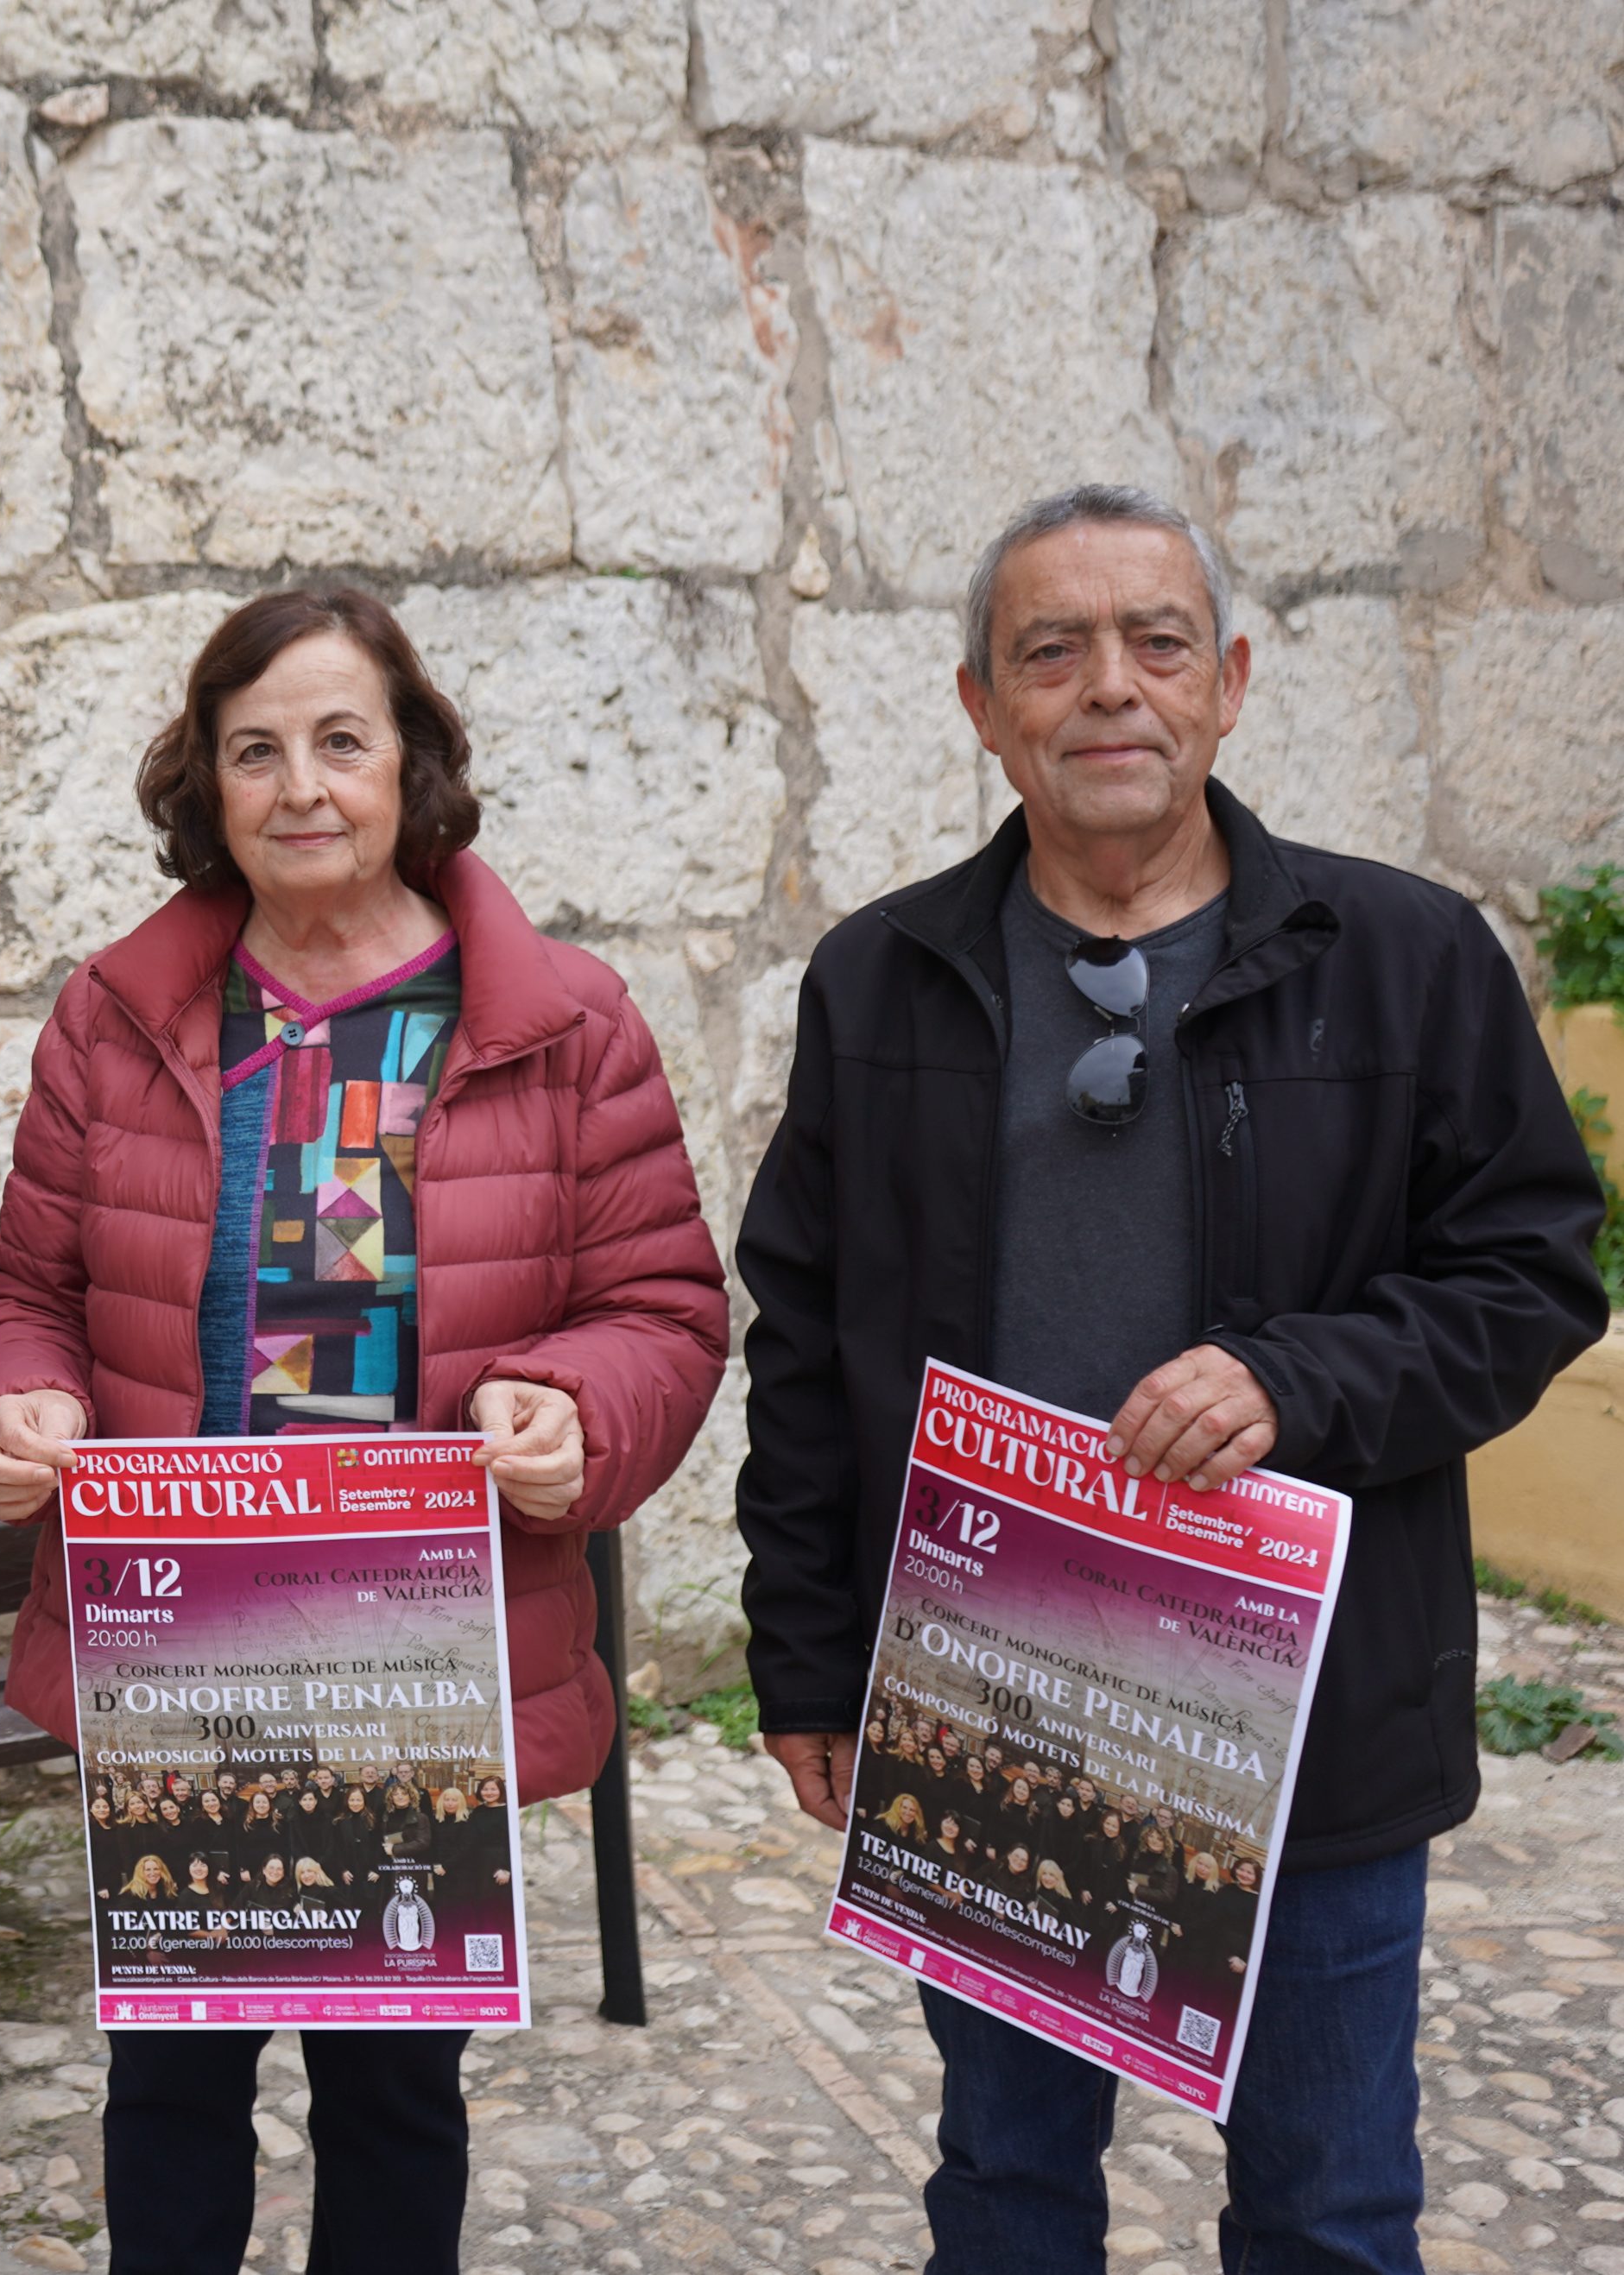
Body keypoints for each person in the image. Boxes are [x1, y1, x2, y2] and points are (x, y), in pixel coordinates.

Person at [730, 484, 1608, 2274]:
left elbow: (1531, 1271)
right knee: (1005, 2189)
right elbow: (808, 1344)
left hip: (1309, 1705)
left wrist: (1303, 1378)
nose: (1106, 688)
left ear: (1231, 683)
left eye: (1156, 643)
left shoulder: (1407, 957)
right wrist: (813, 1654)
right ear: (979, 703)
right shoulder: (878, 979)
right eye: (1049, 651)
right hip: (994, 1699)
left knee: (1330, 2207)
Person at [0, 585, 728, 2275]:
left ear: (410, 764)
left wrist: (576, 1409)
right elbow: (28, 1287)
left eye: (339, 740)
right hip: (186, 1646)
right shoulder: (119, 1015)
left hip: (415, 1653)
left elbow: (662, 1312)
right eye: (256, 749)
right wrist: (26, 1397)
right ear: (207, 784)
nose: (299, 784)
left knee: (393, 2092)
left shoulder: (563, 1023)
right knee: (169, 2080)